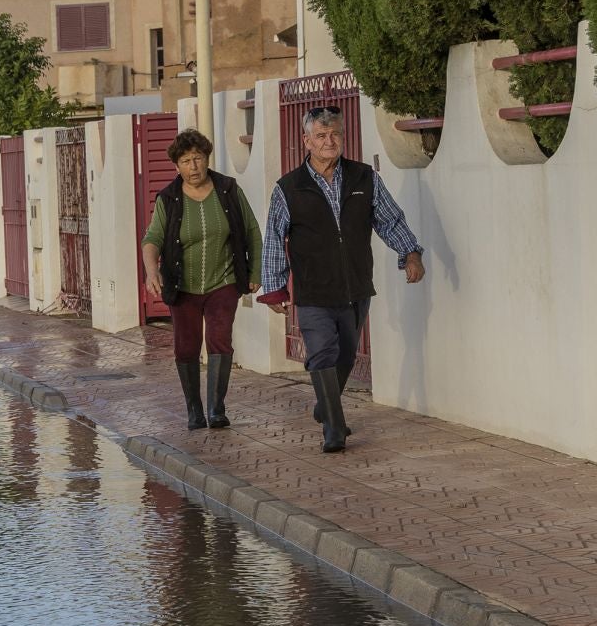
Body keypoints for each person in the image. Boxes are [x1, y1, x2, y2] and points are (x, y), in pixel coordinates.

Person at [257, 106, 425, 452]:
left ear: (342, 137)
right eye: (320, 135)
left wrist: (410, 252)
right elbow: (274, 236)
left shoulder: (365, 178)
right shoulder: (288, 188)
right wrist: (274, 287)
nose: (328, 141)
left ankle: (325, 405)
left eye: (334, 134)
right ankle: (334, 428)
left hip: (355, 285)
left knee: (346, 356)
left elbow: (389, 220)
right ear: (307, 141)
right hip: (313, 290)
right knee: (322, 353)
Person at [140, 128, 262, 430]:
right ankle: (194, 410)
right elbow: (152, 237)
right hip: (182, 284)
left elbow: (251, 232)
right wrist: (151, 270)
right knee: (186, 345)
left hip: (224, 280)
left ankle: (216, 408)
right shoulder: (168, 198)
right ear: (176, 166)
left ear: (206, 159)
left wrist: (256, 272)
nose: (193, 167)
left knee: (220, 339)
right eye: (185, 161)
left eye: (197, 159)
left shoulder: (228, 189)